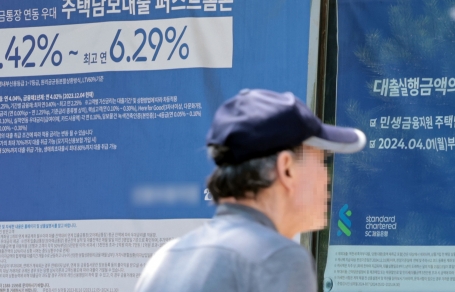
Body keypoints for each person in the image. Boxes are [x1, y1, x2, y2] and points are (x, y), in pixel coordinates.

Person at [134, 89, 366, 292]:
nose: (327, 177)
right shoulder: (276, 257)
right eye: (322, 160)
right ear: (286, 169)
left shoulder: (166, 258)